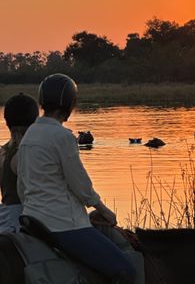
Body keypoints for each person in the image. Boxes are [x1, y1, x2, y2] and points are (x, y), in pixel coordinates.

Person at [17, 74, 135, 284]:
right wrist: (104, 210)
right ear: (70, 103)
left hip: (32, 219)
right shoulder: (63, 137)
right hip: (63, 225)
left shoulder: (29, 135)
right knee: (125, 270)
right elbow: (81, 186)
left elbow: (22, 186)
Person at [0, 93, 39, 233]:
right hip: (22, 221)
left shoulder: (3, 151)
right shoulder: (26, 154)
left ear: (7, 122)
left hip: (5, 216)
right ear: (35, 120)